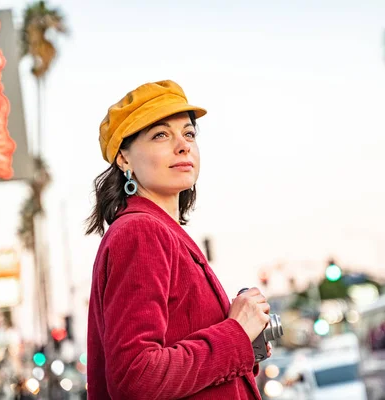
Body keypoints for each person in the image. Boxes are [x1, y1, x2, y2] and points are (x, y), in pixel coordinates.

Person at [85, 80, 271, 399]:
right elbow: (136, 378)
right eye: (160, 135)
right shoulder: (141, 233)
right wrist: (235, 334)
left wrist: (242, 345)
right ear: (124, 159)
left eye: (188, 133)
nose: (183, 145)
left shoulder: (161, 231)